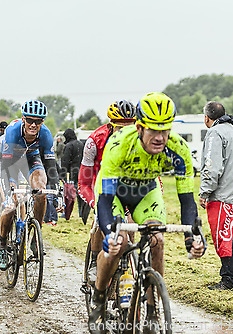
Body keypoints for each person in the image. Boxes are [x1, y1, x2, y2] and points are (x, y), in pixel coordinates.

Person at [88, 93, 205, 333]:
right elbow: (105, 199)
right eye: (154, 130)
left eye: (166, 130)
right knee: (117, 244)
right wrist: (110, 233)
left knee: (157, 240)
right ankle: (99, 300)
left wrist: (191, 237)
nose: (161, 138)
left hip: (146, 192)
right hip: (114, 192)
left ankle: (152, 310)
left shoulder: (178, 150)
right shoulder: (120, 144)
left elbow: (187, 200)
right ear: (140, 127)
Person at [78, 100, 137, 285]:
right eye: (120, 128)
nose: (126, 132)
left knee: (131, 226)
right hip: (100, 185)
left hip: (127, 186)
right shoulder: (95, 141)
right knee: (101, 218)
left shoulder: (141, 140)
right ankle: (96, 262)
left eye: (130, 127)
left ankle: (128, 269)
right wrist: (95, 204)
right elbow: (83, 183)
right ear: (111, 124)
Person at [0, 100, 59, 270]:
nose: (33, 124)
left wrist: (56, 189)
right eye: (30, 120)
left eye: (38, 121)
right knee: (11, 203)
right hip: (12, 161)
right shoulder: (12, 131)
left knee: (41, 190)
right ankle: (2, 244)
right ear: (23, 119)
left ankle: (34, 240)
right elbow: (8, 165)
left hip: (32, 158)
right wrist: (11, 188)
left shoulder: (45, 134)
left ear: (42, 122)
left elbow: (50, 165)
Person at [199, 101, 233, 291]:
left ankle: (228, 281)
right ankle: (230, 278)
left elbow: (212, 167)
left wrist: (204, 192)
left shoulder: (214, 133)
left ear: (207, 118)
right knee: (229, 238)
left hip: (223, 195)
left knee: (223, 238)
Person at [61, 128, 84, 217]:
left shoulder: (69, 145)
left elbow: (65, 160)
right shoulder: (81, 144)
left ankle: (66, 213)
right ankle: (81, 213)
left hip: (71, 173)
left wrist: (62, 174)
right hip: (82, 171)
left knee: (69, 194)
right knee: (81, 194)